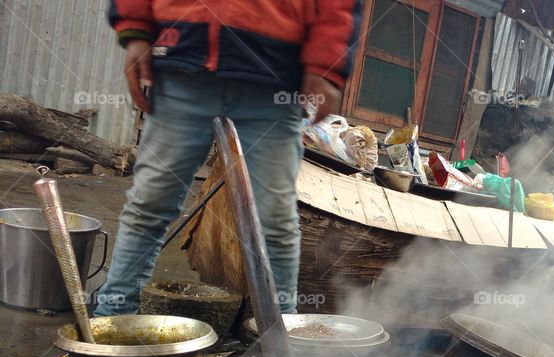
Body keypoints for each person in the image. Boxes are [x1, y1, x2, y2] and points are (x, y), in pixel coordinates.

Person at [94, 0, 361, 316]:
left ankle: (280, 341)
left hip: (274, 80)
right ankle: (110, 322)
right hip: (182, 63)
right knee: (149, 204)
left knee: (275, 222)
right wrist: (135, 29)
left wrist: (326, 63)